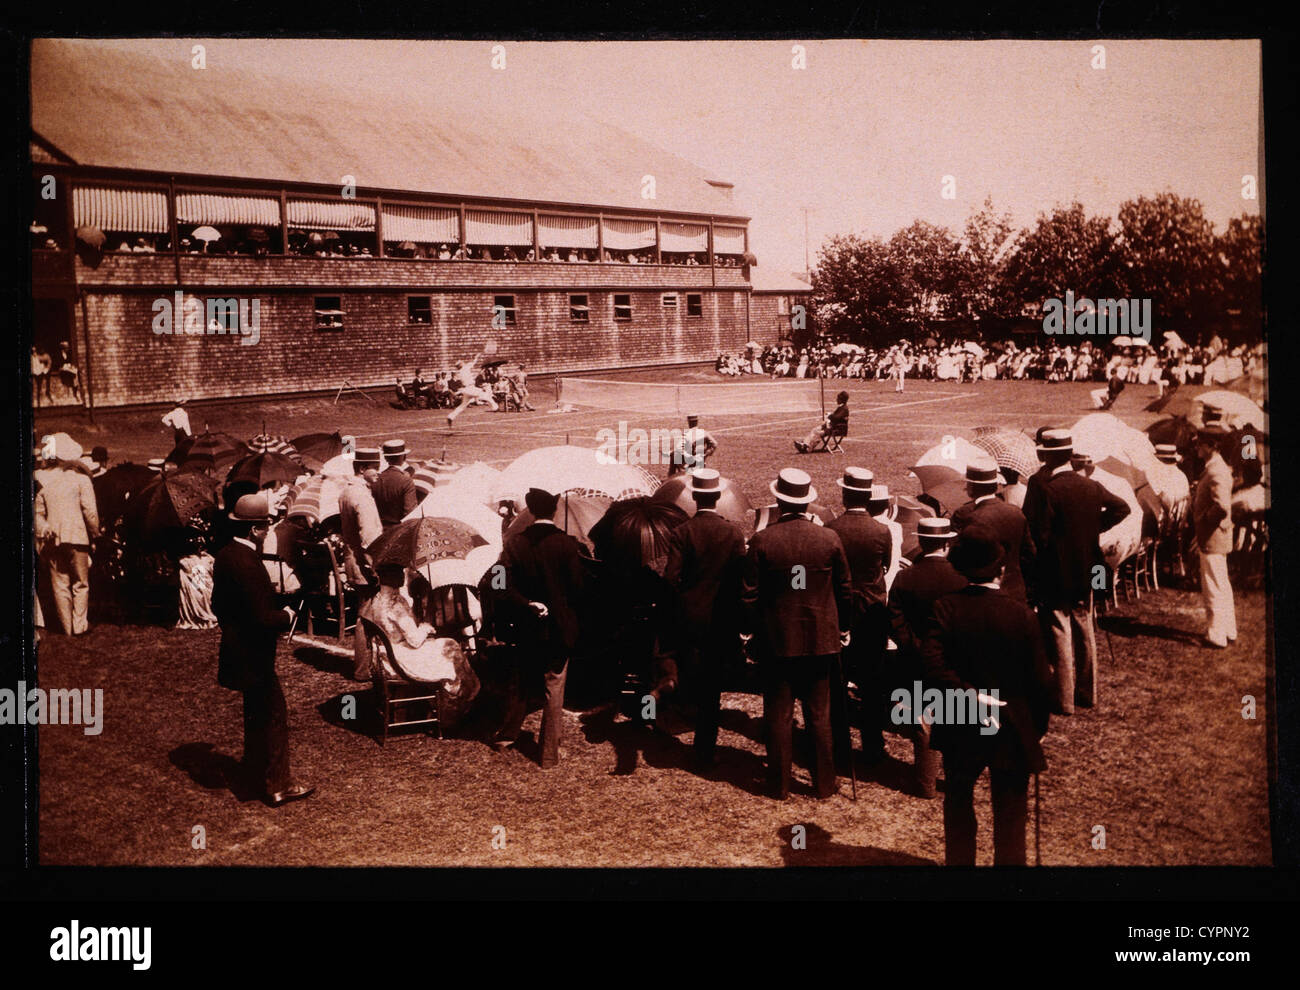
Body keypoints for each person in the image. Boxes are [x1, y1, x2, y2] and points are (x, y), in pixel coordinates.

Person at [920, 525, 1053, 865]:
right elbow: (1040, 682)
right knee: (1010, 812)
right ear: (1002, 569)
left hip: (961, 720)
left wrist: (968, 696)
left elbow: (932, 667)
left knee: (958, 802)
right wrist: (1034, 728)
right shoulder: (1022, 615)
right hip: (1011, 723)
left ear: (961, 567)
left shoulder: (945, 608)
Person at [741, 468, 853, 800]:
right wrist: (844, 626)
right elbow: (845, 590)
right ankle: (824, 783)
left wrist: (751, 633)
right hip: (821, 639)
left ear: (779, 500)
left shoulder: (763, 539)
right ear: (807, 503)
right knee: (819, 715)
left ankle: (779, 784)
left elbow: (748, 595)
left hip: (777, 641)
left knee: (778, 713)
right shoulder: (829, 538)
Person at [212, 494, 313, 807]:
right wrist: (287, 616)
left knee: (255, 713)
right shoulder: (248, 563)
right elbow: (263, 618)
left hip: (236, 648)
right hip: (255, 655)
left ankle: (254, 769)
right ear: (255, 529)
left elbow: (219, 604)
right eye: (267, 524)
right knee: (273, 715)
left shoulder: (226, 555)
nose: (269, 529)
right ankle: (277, 784)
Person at [1022, 429, 1130, 714]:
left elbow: (1039, 536)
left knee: (1060, 630)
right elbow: (1122, 508)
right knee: (1084, 626)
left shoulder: (1045, 487)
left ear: (1046, 455)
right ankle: (1087, 692)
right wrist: (1096, 526)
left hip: (1056, 569)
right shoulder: (1090, 486)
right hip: (1089, 567)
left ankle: (1064, 697)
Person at [492, 487, 586, 768]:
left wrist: (527, 603)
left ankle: (506, 737)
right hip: (559, 628)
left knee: (520, 681)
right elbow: (579, 589)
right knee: (553, 686)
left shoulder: (515, 542)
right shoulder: (567, 544)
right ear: (555, 510)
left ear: (531, 511)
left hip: (526, 626)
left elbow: (499, 584)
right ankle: (548, 754)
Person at [663, 469, 746, 770]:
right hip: (722, 618)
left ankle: (689, 723)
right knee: (712, 685)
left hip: (691, 616)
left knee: (694, 676)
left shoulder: (682, 532)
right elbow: (741, 579)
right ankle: (704, 747)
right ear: (718, 497)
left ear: (695, 498)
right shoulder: (733, 533)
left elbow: (671, 578)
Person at [887, 517, 968, 797]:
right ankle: (957, 780)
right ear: (947, 543)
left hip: (917, 658)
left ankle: (925, 783)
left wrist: (912, 646)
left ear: (921, 542)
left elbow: (895, 619)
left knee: (923, 720)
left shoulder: (905, 577)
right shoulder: (962, 577)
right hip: (954, 656)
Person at [826, 467, 894, 766]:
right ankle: (872, 743)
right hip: (872, 610)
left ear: (844, 495)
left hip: (840, 610)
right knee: (872, 681)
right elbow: (885, 566)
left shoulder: (832, 528)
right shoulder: (881, 530)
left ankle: (839, 743)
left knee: (837, 681)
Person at [33, 438, 100, 635]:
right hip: (77, 536)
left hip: (52, 537)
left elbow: (37, 512)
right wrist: (95, 532)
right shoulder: (81, 480)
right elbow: (90, 512)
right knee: (81, 582)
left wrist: (45, 528)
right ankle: (80, 625)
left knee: (60, 583)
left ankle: (67, 628)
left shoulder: (45, 482)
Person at [950, 457, 1035, 603]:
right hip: (1015, 591)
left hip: (980, 595)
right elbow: (1029, 554)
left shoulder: (967, 516)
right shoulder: (1015, 513)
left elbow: (957, 559)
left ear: (971, 486)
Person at [1192, 423, 1237, 647]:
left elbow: (1221, 507)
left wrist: (1202, 521)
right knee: (1221, 584)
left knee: (1213, 587)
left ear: (1211, 445)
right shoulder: (1215, 467)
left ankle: (1216, 634)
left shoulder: (1216, 470)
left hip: (1212, 536)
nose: (1197, 447)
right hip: (1217, 536)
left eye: (1200, 443)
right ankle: (1228, 630)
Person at [373, 439, 417, 527]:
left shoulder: (376, 479)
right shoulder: (406, 481)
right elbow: (410, 513)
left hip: (379, 527)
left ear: (385, 458)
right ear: (404, 457)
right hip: (397, 530)